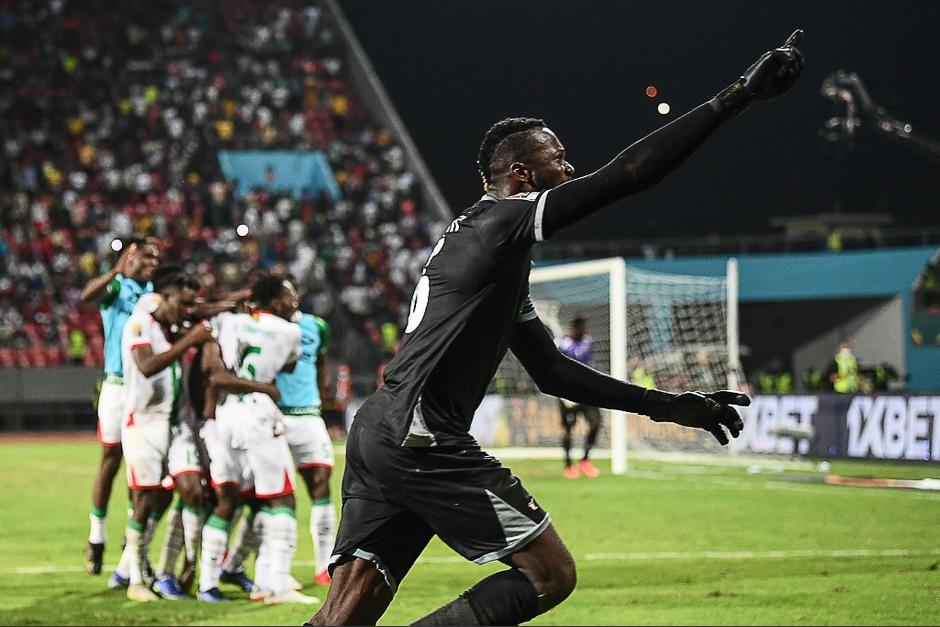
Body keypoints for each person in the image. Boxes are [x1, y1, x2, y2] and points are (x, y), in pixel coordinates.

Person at [307, 30, 802, 626]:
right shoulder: (501, 223)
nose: (569, 168)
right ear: (520, 176)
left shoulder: (492, 255)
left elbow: (553, 371)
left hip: (382, 430)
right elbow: (631, 174)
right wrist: (737, 97)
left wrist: (672, 407)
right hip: (420, 435)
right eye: (557, 159)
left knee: (342, 618)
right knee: (550, 574)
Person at [197, 274, 316, 604]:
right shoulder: (292, 332)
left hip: (225, 415)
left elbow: (202, 317)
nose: (296, 303)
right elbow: (288, 367)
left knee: (231, 499)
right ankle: (275, 585)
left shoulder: (229, 321)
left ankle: (208, 583)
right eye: (290, 296)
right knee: (281, 498)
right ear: (276, 301)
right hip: (259, 413)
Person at [220, 302, 336, 588]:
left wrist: (319, 394)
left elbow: (320, 361)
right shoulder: (258, 325)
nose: (292, 299)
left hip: (308, 415)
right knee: (267, 496)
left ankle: (324, 567)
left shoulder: (316, 326)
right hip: (270, 414)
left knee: (321, 483)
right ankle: (237, 563)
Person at [117, 265, 213, 601]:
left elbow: (199, 314)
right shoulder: (140, 324)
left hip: (174, 425)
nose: (187, 313)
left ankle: (181, 568)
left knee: (193, 491)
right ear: (165, 297)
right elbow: (146, 366)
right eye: (183, 305)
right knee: (145, 499)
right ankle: (136, 580)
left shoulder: (166, 325)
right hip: (143, 422)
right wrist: (190, 340)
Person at [82, 237, 159, 576]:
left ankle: (132, 545)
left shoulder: (156, 292)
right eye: (146, 257)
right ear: (130, 257)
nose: (151, 263)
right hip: (116, 385)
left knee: (139, 468)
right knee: (110, 460)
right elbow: (87, 296)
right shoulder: (116, 286)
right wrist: (115, 271)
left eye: (155, 258)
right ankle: (96, 537)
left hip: (144, 386)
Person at [555, 317, 603, 479]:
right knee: (569, 428)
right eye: (583, 328)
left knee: (596, 422)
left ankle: (585, 460)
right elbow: (557, 369)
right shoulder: (562, 345)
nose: (586, 331)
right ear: (575, 329)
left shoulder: (588, 343)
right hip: (567, 393)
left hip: (585, 392)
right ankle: (568, 465)